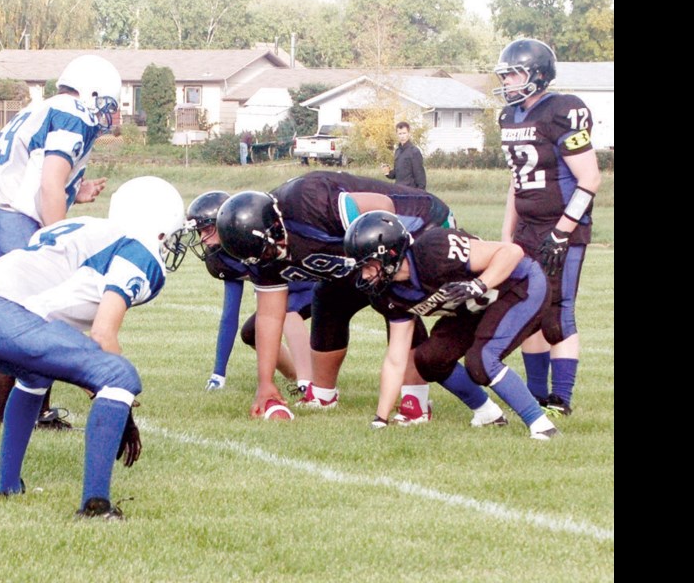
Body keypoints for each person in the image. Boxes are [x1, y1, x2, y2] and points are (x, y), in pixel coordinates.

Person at [0, 177, 188, 519]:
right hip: (2, 313)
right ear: (160, 226)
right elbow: (104, 334)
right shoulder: (139, 248)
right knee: (119, 374)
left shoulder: (79, 226)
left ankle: (7, 485)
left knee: (35, 375)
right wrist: (124, 411)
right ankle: (96, 505)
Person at [215, 171, 505, 427]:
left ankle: (416, 400)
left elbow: (382, 210)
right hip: (356, 253)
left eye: (269, 249)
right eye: (261, 256)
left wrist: (373, 261)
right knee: (329, 296)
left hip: (415, 226)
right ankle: (323, 393)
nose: (269, 258)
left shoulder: (309, 200)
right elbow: (269, 315)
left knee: (393, 296)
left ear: (275, 225)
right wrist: (265, 385)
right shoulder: (258, 248)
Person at [0, 54, 122, 424]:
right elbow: (49, 183)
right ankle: (36, 412)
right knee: (45, 315)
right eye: (111, 105)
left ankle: (7, 415)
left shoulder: (37, 109)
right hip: (14, 225)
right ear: (94, 93)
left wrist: (74, 191)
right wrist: (59, 242)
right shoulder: (75, 113)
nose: (111, 116)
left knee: (5, 317)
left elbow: (36, 174)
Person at [344, 211, 558, 440]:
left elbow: (512, 251)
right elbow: (396, 359)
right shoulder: (388, 294)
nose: (364, 275)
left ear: (390, 254)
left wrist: (479, 284)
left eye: (368, 265)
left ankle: (542, 425)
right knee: (430, 358)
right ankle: (487, 414)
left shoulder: (434, 249)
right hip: (476, 305)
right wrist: (381, 419)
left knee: (483, 359)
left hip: (519, 285)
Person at [493, 38, 602, 416]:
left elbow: (589, 179)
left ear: (538, 75)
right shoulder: (509, 116)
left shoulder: (563, 110)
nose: (508, 81)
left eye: (515, 73)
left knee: (559, 309)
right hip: (526, 228)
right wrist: (507, 235)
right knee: (528, 306)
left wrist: (562, 230)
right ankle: (537, 394)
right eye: (505, 74)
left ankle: (561, 399)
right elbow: (516, 183)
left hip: (562, 228)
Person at [184, 191, 314, 392]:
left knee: (287, 310)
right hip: (281, 296)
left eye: (207, 229)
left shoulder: (258, 237)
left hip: (313, 287)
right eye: (199, 231)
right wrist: (218, 373)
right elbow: (229, 315)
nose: (202, 239)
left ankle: (308, 382)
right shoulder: (222, 259)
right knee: (250, 333)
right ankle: (296, 376)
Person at [381, 121, 426, 189]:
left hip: (411, 192)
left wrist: (420, 195)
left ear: (408, 134)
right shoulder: (397, 151)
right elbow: (396, 174)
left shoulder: (414, 151)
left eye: (404, 133)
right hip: (399, 191)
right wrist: (387, 172)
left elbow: (420, 177)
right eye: (400, 133)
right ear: (397, 134)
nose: (402, 136)